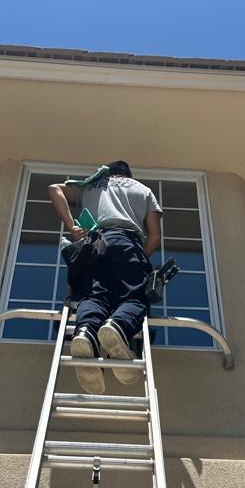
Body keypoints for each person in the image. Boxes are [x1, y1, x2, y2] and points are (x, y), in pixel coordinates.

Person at [48, 161, 162, 394]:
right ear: (128, 175)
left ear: (108, 173)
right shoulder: (143, 190)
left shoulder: (91, 185)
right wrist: (139, 259)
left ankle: (86, 332)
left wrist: (72, 226)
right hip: (127, 243)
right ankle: (117, 326)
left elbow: (54, 189)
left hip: (92, 245)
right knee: (134, 299)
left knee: (95, 296)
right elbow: (155, 236)